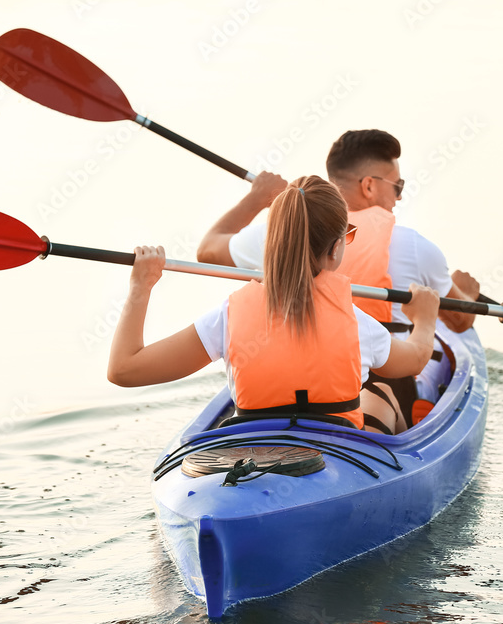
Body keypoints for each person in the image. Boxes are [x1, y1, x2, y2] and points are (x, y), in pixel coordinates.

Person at [107, 175, 440, 435]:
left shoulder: (228, 316)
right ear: (337, 247)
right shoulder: (356, 323)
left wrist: (141, 285)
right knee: (381, 395)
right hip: (339, 449)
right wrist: (423, 320)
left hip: (253, 446)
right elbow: (413, 361)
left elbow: (124, 370)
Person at [197, 129, 480, 415]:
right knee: (385, 390)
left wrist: (257, 198)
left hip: (281, 389)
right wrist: (461, 293)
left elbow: (207, 250)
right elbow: (460, 320)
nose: (399, 197)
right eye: (398, 186)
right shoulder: (416, 248)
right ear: (369, 186)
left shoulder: (276, 234)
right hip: (381, 377)